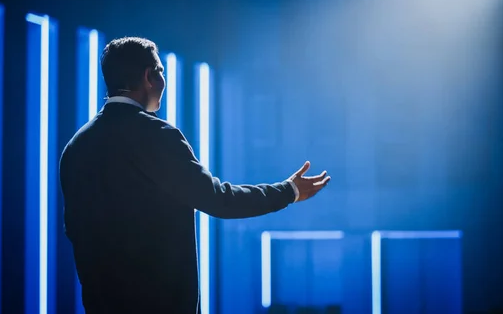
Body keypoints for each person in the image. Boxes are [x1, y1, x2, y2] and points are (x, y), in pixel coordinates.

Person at [59, 37, 331, 314]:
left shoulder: (76, 147)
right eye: (161, 71)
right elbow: (218, 200)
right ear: (148, 76)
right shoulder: (158, 135)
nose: (164, 81)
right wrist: (289, 191)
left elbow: (74, 230)